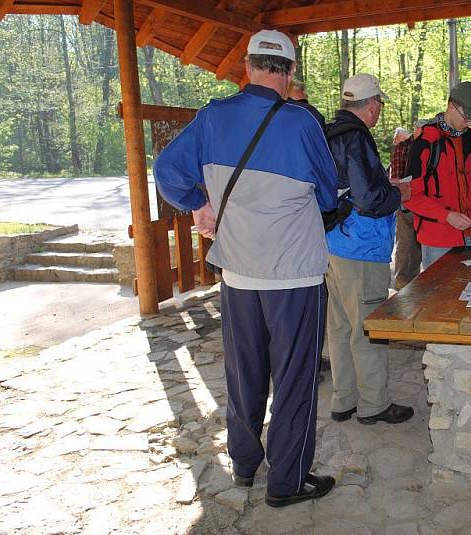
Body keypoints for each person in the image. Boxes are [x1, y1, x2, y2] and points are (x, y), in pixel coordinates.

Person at [153, 30, 337, 508]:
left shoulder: (213, 117)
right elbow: (328, 194)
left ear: (248, 67)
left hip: (237, 274)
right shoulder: (301, 123)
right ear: (290, 71)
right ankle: (287, 481)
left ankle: (244, 465)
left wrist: (198, 204)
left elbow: (168, 171)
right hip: (294, 276)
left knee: (244, 376)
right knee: (295, 380)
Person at [325, 74, 414, 426]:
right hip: (362, 247)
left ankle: (343, 399)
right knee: (368, 327)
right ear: (372, 105)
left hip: (335, 243)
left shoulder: (329, 132)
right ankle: (374, 404)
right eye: (379, 106)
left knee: (340, 328)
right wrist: (397, 194)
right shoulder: (356, 138)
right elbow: (368, 197)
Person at [404, 81, 471, 269]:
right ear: (451, 106)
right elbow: (410, 196)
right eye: (466, 117)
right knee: (440, 298)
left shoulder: (470, 140)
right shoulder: (425, 141)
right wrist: (446, 216)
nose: (468, 124)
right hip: (438, 240)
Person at [389, 121, 425, 289]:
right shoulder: (403, 148)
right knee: (405, 243)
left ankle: (410, 281)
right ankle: (402, 283)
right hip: (406, 204)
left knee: (416, 244)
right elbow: (396, 179)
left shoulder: (408, 147)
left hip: (422, 204)